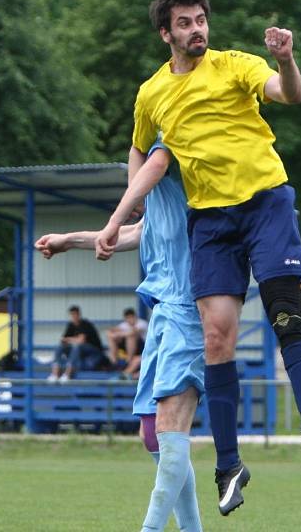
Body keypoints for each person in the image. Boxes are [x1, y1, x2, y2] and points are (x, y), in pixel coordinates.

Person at [96, 0, 301, 514]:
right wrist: (139, 208)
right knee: (216, 337)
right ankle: (229, 465)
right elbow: (139, 147)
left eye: (201, 19)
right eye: (184, 22)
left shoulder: (234, 65)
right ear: (166, 33)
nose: (196, 29)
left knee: (283, 313)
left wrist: (286, 59)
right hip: (211, 222)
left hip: (266, 202)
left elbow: (289, 94)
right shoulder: (152, 92)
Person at [36, 140, 205, 532]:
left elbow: (150, 158)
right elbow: (125, 235)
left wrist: (123, 204)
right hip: (162, 314)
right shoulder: (154, 216)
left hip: (189, 310)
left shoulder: (179, 177)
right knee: (151, 433)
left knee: (168, 428)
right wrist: (69, 240)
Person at [47, 305, 105, 382]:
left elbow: (81, 341)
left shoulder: (85, 324)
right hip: (80, 348)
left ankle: (68, 373)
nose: (73, 316)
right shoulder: (71, 325)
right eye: (72, 314)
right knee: (60, 347)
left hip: (94, 349)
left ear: (79, 314)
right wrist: (73, 339)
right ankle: (55, 373)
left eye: (75, 314)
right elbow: (63, 340)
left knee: (76, 346)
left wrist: (70, 339)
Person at [106, 307, 148, 379]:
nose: (130, 320)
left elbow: (133, 332)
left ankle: (128, 362)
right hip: (127, 350)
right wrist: (113, 334)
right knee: (112, 338)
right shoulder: (124, 325)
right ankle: (114, 361)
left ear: (135, 317)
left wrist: (118, 334)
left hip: (142, 350)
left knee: (131, 337)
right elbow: (109, 332)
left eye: (131, 317)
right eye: (127, 318)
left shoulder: (142, 323)